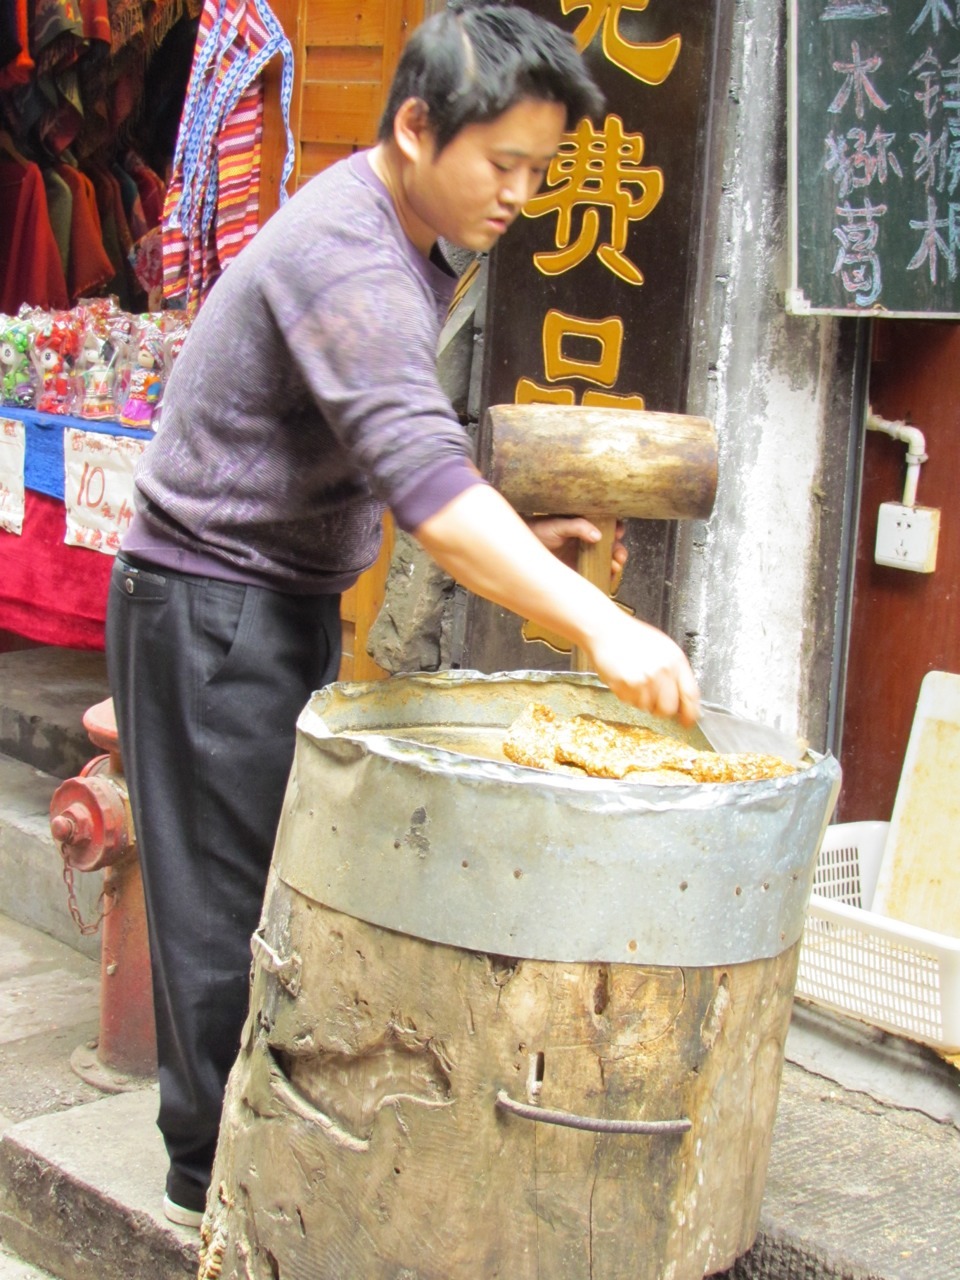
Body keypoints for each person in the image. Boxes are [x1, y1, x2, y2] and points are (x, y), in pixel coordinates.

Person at [105, 0, 701, 1230]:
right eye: (503, 163)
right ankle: (214, 1196)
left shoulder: (408, 232)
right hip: (209, 604)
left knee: (276, 892)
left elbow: (387, 453)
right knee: (227, 912)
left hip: (269, 594)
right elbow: (426, 486)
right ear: (418, 127)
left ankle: (257, 1169)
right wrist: (601, 623)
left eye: (540, 169)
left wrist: (511, 534)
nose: (520, 195)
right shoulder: (354, 255)